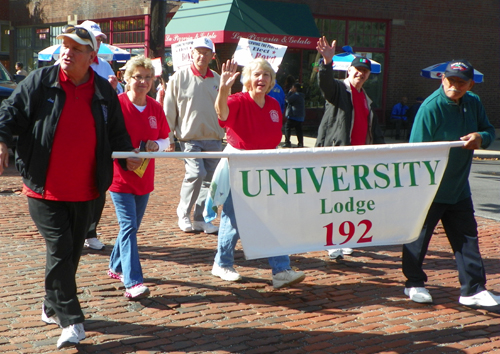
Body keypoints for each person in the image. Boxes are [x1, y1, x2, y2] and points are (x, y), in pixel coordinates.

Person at [0, 25, 140, 349]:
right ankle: (72, 319)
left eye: (76, 48)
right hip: (44, 188)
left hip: (88, 191)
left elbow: (117, 134)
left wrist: (127, 158)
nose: (67, 52)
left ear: (91, 57)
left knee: (69, 255)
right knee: (61, 247)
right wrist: (3, 140)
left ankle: (51, 306)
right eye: (64, 45)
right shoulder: (41, 81)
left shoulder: (104, 91)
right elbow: (11, 112)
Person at [402, 59, 500, 311]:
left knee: (467, 238)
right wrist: (418, 190)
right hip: (430, 188)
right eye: (450, 80)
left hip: (458, 187)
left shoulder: (473, 102)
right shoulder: (430, 108)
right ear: (442, 79)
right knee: (417, 237)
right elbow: (416, 153)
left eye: (461, 82)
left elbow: (489, 131)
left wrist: (481, 137)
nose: (454, 86)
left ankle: (473, 290)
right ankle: (413, 283)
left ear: (470, 84)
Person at [212, 57, 306, 289]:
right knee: (233, 218)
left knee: (271, 217)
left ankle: (281, 270)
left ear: (272, 80)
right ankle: (222, 263)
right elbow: (222, 114)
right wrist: (224, 88)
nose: (261, 79)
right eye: (256, 74)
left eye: (266, 75)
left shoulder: (274, 105)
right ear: (247, 79)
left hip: (265, 167)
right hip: (239, 166)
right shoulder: (237, 100)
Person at [315, 36, 385, 260]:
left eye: (365, 71)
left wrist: (383, 153)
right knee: (333, 202)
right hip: (336, 156)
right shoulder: (339, 90)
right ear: (349, 71)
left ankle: (345, 239)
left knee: (351, 203)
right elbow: (325, 85)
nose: (361, 73)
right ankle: (330, 241)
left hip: (359, 159)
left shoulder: (366, 99)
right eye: (357, 69)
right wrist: (326, 64)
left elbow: (373, 130)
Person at [107, 55, 170, 299]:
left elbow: (166, 139)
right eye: (137, 77)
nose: (142, 82)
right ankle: (133, 283)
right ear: (127, 78)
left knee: (129, 228)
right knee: (129, 226)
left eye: (147, 77)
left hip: (145, 178)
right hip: (119, 178)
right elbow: (105, 138)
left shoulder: (155, 107)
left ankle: (115, 266)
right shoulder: (117, 104)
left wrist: (157, 145)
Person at [164, 36, 224, 234]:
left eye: (206, 52)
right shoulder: (179, 77)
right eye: (198, 52)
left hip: (214, 138)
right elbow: (169, 108)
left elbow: (225, 108)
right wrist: (169, 137)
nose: (202, 56)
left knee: (210, 180)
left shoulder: (217, 79)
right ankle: (183, 213)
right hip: (189, 138)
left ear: (212, 56)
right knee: (196, 174)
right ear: (192, 54)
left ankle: (200, 218)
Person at [79, 20, 124, 251]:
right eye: (94, 39)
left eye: (100, 40)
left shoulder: (105, 65)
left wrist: (115, 88)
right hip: (77, 135)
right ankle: (74, 230)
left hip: (101, 134)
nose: (98, 43)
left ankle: (91, 231)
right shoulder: (67, 62)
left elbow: (118, 98)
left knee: (99, 183)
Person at [283, 82, 306, 148]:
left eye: (292, 87)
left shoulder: (296, 95)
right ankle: (300, 143)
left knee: (287, 127)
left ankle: (287, 142)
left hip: (294, 115)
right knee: (299, 130)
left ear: (295, 88)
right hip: (300, 116)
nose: (291, 88)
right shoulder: (301, 95)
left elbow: (288, 100)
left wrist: (289, 92)